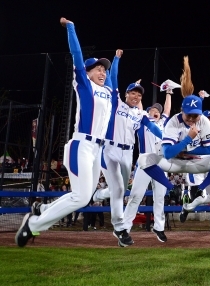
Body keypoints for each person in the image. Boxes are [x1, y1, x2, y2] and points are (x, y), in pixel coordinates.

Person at [17, 17, 116, 247]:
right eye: (97, 69)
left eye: (104, 69)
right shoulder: (84, 83)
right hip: (80, 145)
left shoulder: (108, 91)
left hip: (96, 148)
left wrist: (114, 64)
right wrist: (71, 28)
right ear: (88, 72)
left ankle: (42, 209)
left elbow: (112, 77)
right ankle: (32, 225)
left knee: (84, 198)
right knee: (81, 196)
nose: (102, 72)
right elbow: (77, 56)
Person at [135, 56, 210, 224]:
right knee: (144, 159)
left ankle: (195, 196)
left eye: (196, 115)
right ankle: (171, 188)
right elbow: (167, 153)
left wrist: (186, 149)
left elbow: (209, 151)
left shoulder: (203, 121)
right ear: (182, 110)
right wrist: (188, 139)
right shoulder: (173, 121)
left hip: (196, 161)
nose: (192, 119)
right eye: (189, 115)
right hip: (175, 162)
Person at [91, 52, 163, 246]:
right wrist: (117, 59)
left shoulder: (140, 114)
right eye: (133, 93)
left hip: (128, 153)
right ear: (126, 94)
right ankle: (121, 229)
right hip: (111, 149)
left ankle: (101, 194)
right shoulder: (117, 104)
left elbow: (153, 127)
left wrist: (168, 139)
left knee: (121, 190)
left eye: (139, 94)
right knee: (119, 189)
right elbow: (113, 78)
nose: (136, 96)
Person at [119, 86, 173, 243]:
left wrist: (168, 93)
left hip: (161, 163)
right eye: (153, 109)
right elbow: (138, 107)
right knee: (135, 196)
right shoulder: (143, 120)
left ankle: (159, 227)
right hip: (144, 161)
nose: (156, 110)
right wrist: (136, 93)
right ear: (148, 111)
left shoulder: (163, 122)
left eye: (158, 109)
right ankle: (125, 228)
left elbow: (167, 110)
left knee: (160, 197)